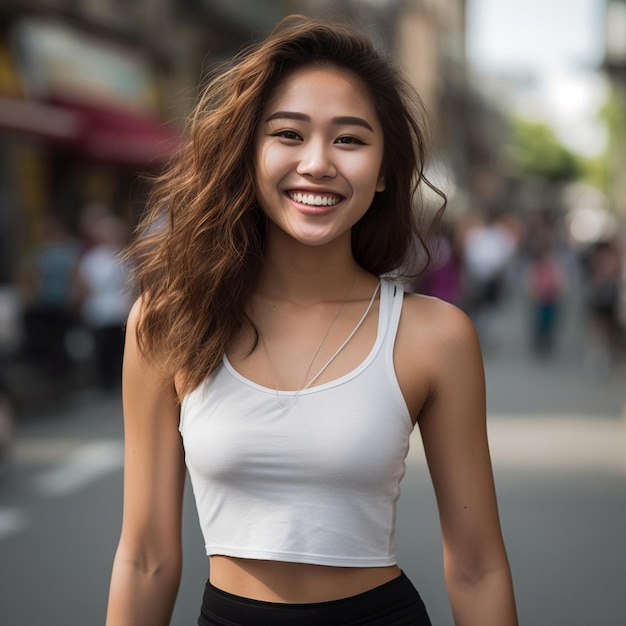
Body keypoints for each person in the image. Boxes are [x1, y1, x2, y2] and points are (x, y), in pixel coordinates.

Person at [105, 15, 518, 626]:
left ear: (382, 172)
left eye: (349, 140)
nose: (318, 163)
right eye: (289, 134)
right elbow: (144, 559)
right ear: (249, 153)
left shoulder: (435, 337)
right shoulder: (168, 325)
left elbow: (478, 565)